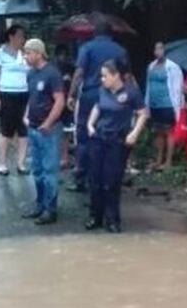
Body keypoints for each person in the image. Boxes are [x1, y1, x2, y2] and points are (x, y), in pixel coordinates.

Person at [67, 15, 128, 192]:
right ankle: (108, 178)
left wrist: (71, 94)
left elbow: (79, 73)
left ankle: (81, 178)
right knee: (111, 136)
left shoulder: (87, 48)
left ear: (94, 33)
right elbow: (127, 77)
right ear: (111, 34)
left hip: (89, 96)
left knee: (84, 136)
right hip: (114, 98)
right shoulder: (120, 51)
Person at [86, 58, 148, 233]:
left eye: (105, 76)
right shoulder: (102, 91)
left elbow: (143, 113)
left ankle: (112, 219)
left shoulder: (131, 92)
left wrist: (134, 133)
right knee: (95, 179)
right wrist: (90, 124)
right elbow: (97, 107)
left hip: (118, 141)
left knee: (111, 181)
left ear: (116, 76)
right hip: (98, 137)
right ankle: (95, 216)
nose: (102, 79)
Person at [21, 38, 66, 225]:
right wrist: (26, 115)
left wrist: (48, 122)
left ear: (39, 53)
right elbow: (31, 98)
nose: (25, 56)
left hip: (49, 130)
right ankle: (39, 204)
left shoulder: (52, 74)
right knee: (37, 170)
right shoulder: (31, 74)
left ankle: (50, 209)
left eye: (28, 52)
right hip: (32, 127)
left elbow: (60, 101)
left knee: (49, 171)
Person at [0, 24, 30, 175]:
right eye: (20, 36)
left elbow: (31, 71)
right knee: (6, 130)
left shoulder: (25, 53)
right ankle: (2, 163)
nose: (22, 39)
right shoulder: (0, 53)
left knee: (23, 129)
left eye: (23, 36)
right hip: (7, 95)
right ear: (11, 37)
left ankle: (21, 163)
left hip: (24, 94)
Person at [143, 41, 184, 171]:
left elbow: (177, 87)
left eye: (160, 48)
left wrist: (177, 106)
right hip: (154, 103)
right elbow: (148, 86)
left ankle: (168, 161)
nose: (158, 51)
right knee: (158, 132)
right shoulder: (151, 66)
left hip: (167, 103)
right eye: (156, 48)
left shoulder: (172, 67)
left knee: (168, 132)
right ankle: (158, 159)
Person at [54, 44, 76, 170]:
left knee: (66, 131)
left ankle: (64, 158)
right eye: (60, 55)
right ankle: (60, 157)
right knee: (58, 130)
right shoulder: (52, 67)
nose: (62, 57)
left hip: (67, 101)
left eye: (64, 55)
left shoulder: (71, 67)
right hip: (57, 101)